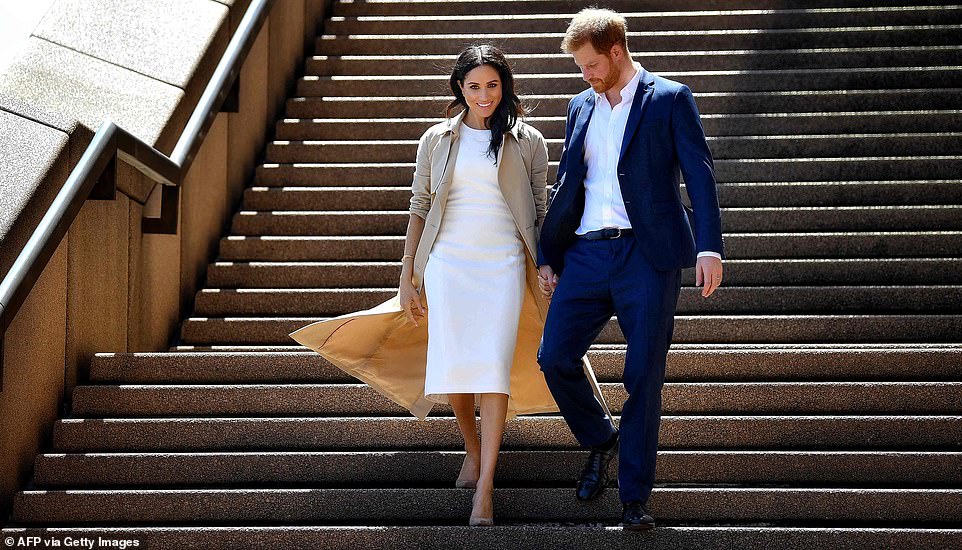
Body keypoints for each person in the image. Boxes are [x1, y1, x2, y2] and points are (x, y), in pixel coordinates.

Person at [290, 44, 605, 527]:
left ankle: (486, 485)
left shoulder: (528, 140)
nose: (484, 95)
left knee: (493, 369)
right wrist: (407, 273)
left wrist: (548, 262)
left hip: (502, 262)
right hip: (448, 263)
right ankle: (472, 449)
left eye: (493, 85)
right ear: (460, 87)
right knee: (456, 365)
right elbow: (419, 205)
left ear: (506, 87)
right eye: (474, 86)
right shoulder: (436, 138)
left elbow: (541, 209)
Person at [535, 9, 725, 531]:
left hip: (647, 254)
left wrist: (709, 246)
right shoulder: (580, 106)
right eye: (580, 67)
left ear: (617, 51)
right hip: (587, 255)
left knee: (643, 374)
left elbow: (699, 174)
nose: (585, 75)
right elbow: (568, 182)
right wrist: (548, 252)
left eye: (591, 64)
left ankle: (634, 499)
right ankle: (600, 438)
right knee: (553, 357)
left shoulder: (669, 98)